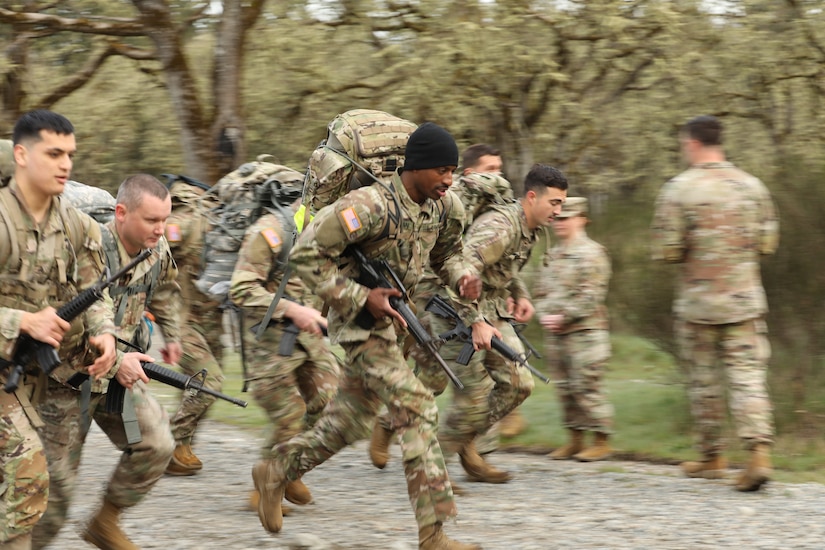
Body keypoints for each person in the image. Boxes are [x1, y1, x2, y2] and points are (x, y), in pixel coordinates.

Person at [250, 122, 490, 550]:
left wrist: (464, 277)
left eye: (453, 171)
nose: (449, 180)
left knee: (349, 422)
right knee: (418, 408)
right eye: (441, 171)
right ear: (415, 167)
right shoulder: (369, 205)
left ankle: (278, 469)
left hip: (396, 321)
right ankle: (434, 534)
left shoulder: (442, 208)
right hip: (359, 325)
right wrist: (361, 296)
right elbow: (306, 254)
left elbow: (447, 255)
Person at [33, 174, 178, 549]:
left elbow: (163, 288)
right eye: (151, 220)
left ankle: (105, 521)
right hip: (67, 379)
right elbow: (63, 333)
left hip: (119, 374)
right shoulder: (83, 249)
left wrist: (173, 336)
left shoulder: (156, 249)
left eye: (165, 220)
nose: (159, 229)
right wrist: (117, 363)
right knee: (51, 497)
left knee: (157, 443)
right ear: (121, 212)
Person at [0, 110, 119, 550]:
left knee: (55, 491)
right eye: (53, 153)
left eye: (69, 154)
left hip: (45, 375)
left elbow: (96, 292)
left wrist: (105, 332)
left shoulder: (78, 226)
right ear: (21, 155)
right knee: (27, 475)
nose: (65, 163)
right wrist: (22, 321)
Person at [651, 115, 779, 492]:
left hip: (698, 305)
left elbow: (667, 250)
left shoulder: (678, 190)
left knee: (703, 381)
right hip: (744, 302)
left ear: (691, 143)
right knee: (748, 377)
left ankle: (712, 456)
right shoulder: (753, 187)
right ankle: (758, 453)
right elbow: (768, 244)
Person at [369, 142, 511, 469]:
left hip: (464, 296)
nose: (497, 177)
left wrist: (514, 291)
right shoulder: (448, 197)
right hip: (426, 297)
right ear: (471, 173)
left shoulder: (488, 208)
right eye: (491, 170)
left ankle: (469, 451)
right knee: (433, 376)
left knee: (480, 377)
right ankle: (388, 424)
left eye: (500, 170)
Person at [438, 163, 568, 484]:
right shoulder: (500, 227)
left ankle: (466, 444)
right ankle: (432, 471)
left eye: (563, 204)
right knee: (470, 395)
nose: (559, 211)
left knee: (519, 384)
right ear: (533, 197)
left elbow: (504, 270)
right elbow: (460, 272)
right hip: (455, 309)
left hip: (491, 307)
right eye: (555, 203)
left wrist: (520, 294)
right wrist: (475, 321)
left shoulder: (533, 228)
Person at [228, 178, 339, 510]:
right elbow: (241, 289)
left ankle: (287, 470)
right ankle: (265, 488)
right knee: (290, 413)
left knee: (334, 404)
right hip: (268, 340)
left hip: (308, 336)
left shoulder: (333, 231)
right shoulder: (270, 230)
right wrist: (292, 309)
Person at [534, 197, 614, 461]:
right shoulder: (552, 255)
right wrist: (544, 314)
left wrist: (563, 316)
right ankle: (575, 440)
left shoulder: (592, 254)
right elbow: (540, 291)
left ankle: (601, 440)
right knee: (565, 388)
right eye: (557, 218)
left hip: (586, 333)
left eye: (566, 218)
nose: (559, 224)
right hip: (557, 334)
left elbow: (592, 295)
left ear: (582, 219)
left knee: (586, 387)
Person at [163, 178, 226, 475]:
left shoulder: (224, 220)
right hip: (181, 320)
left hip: (211, 320)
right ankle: (168, 446)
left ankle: (181, 446)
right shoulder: (182, 222)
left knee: (201, 387)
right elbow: (149, 251)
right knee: (210, 382)